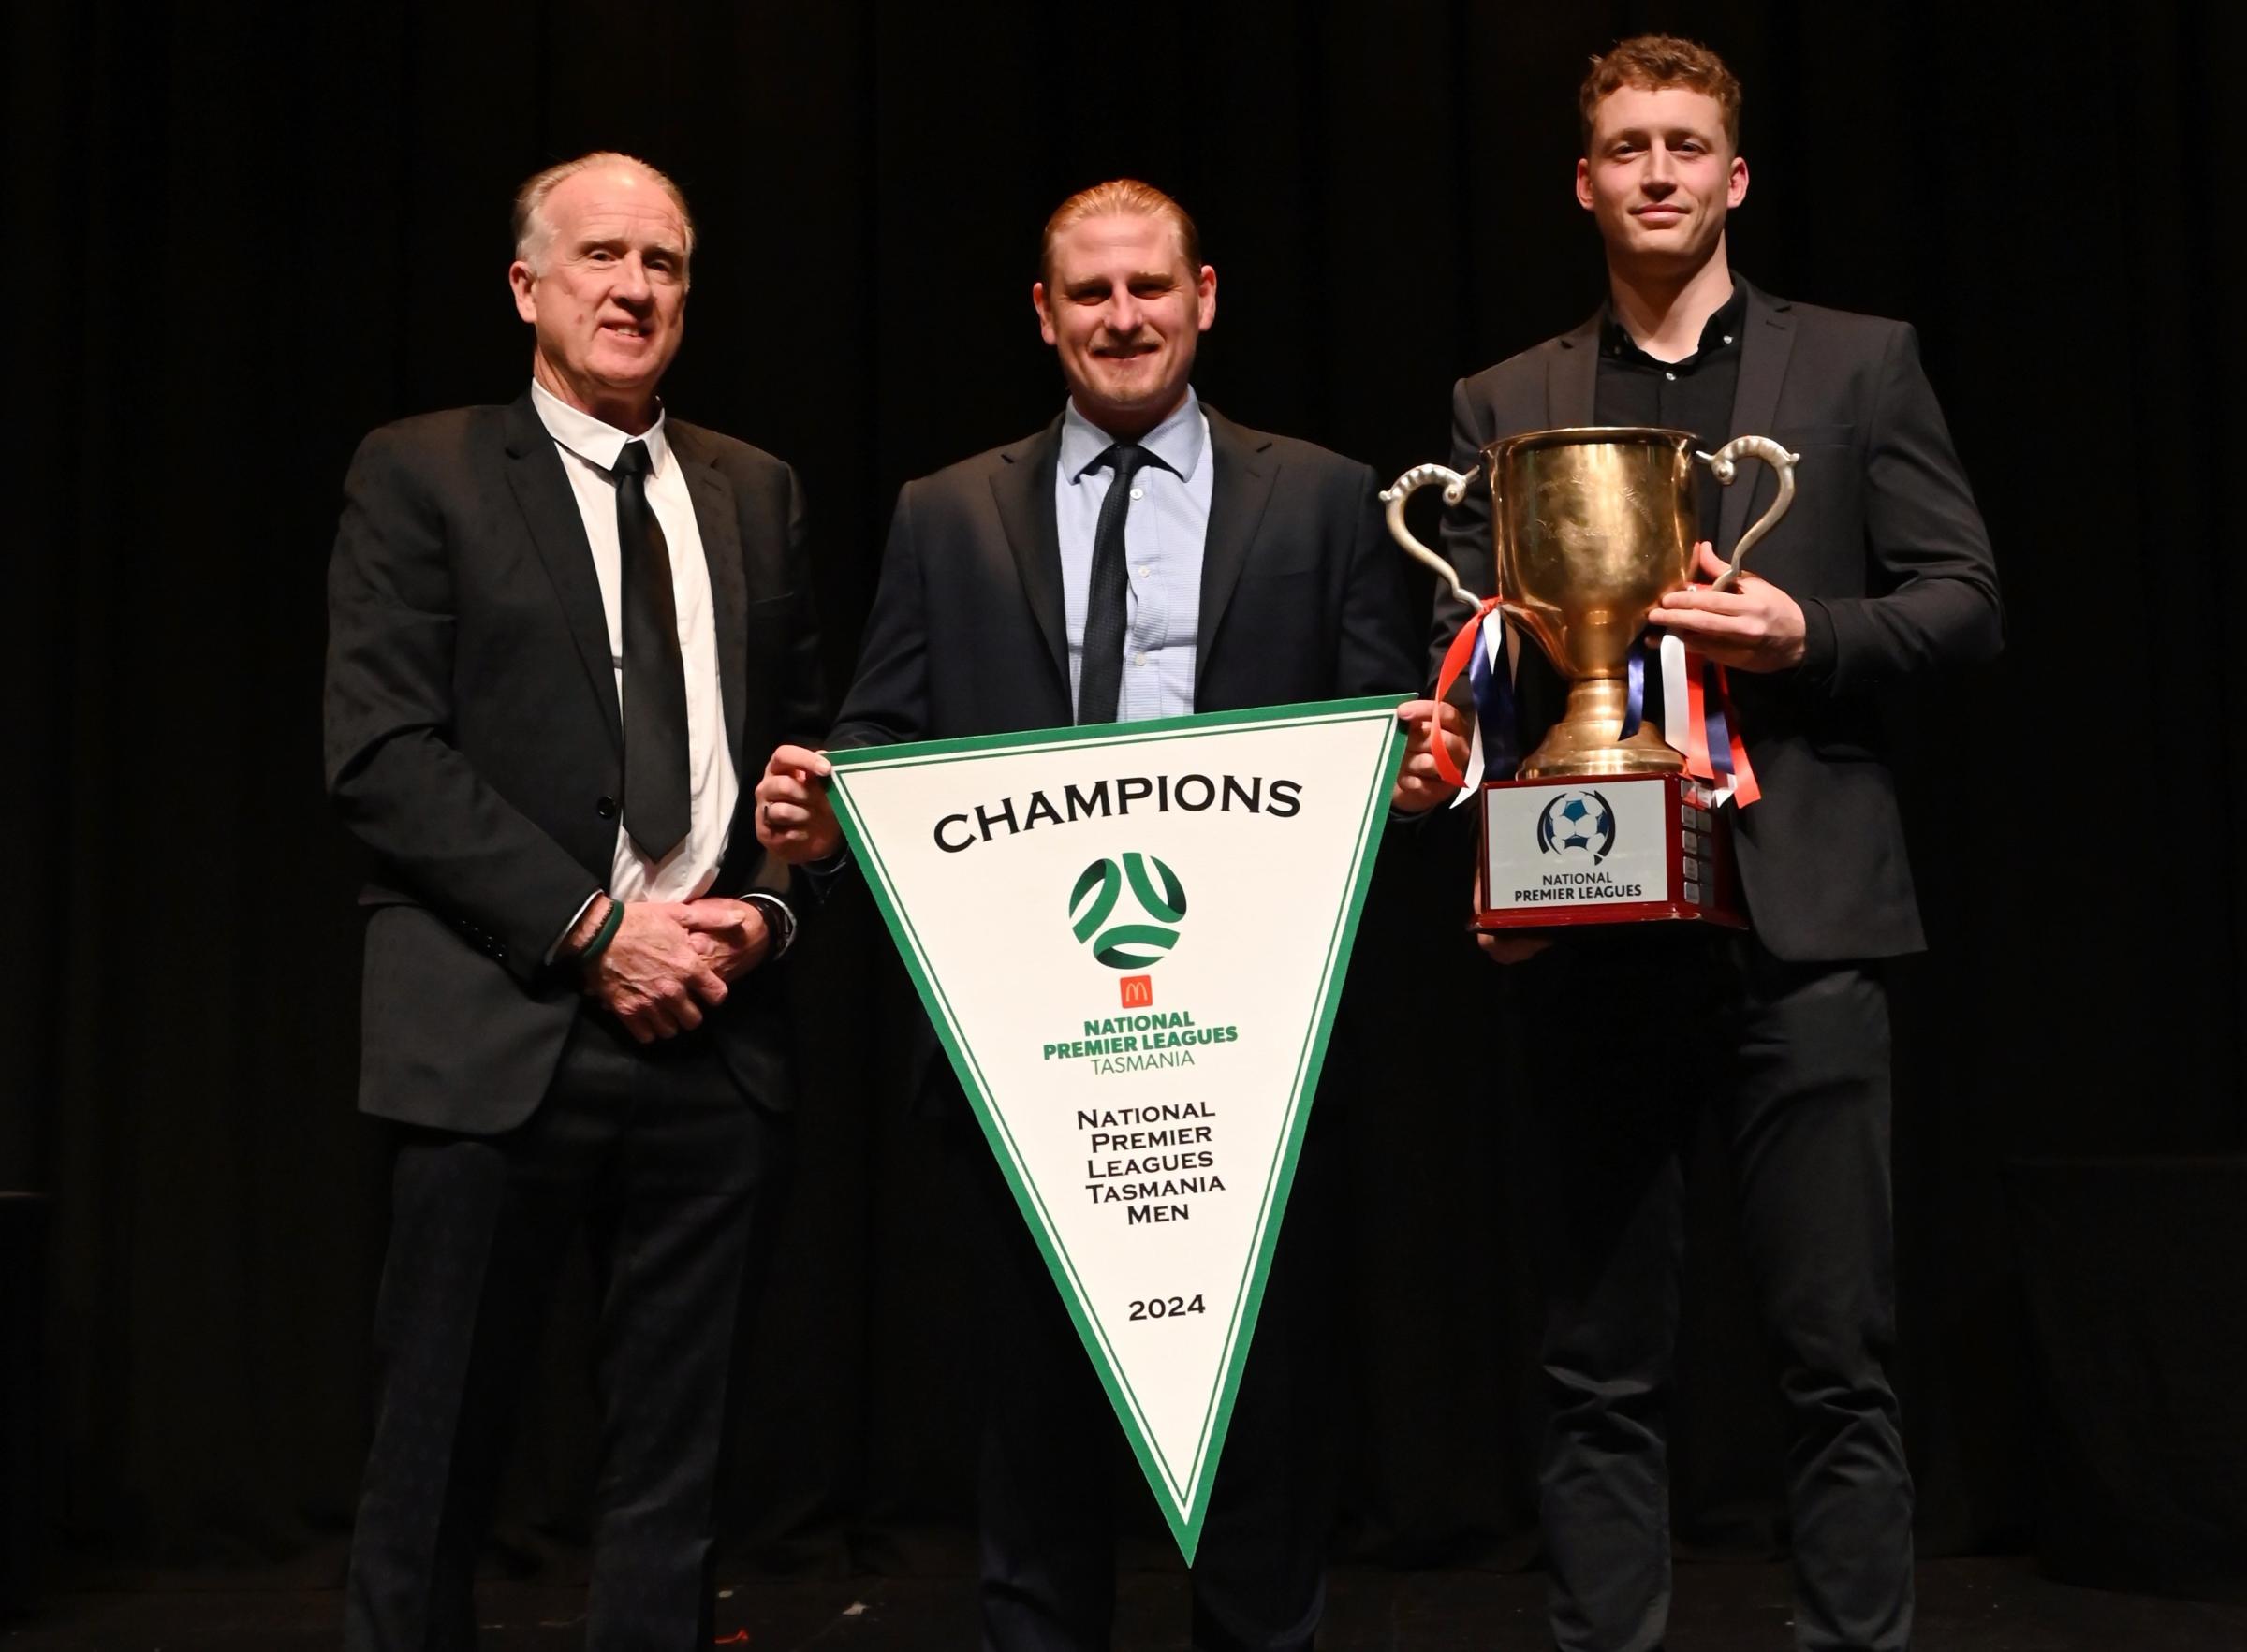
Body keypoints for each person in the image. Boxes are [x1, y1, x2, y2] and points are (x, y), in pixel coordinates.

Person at [755, 180, 1426, 1651]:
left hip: (1248, 1062)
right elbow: (881, 732)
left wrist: (1421, 775)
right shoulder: (947, 509)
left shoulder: (1322, 493)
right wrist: (827, 814)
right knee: (1035, 1468)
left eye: (1148, 287)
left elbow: (1393, 730)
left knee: (1255, 1471)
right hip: (1026, 1061)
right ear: (1045, 315)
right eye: (1092, 294)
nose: (1123, 317)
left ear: (1204, 296)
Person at [1400, 35, 2003, 1652]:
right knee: (1596, 1364)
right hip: (1590, 915)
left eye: (1684, 145)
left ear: (1733, 178)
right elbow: (1481, 651)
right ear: (1583, 180)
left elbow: (1964, 603)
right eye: (1624, 146)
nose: (1655, 170)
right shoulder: (1504, 401)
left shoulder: (1862, 365)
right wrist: (1450, 753)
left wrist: (1805, 631)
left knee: (1836, 1357)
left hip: (1804, 925)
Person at [323, 151, 827, 1650]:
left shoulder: (755, 487)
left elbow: (800, 755)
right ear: (527, 286)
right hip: (501, 1027)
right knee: (436, 1466)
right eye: (601, 257)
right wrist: (597, 929)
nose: (635, 289)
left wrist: (771, 900)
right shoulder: (421, 469)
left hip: (715, 1032)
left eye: (664, 263)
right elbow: (380, 754)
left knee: (674, 1481)